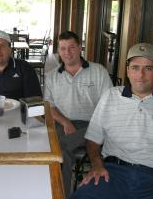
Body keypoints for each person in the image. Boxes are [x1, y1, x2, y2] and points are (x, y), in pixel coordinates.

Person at [70, 43, 153, 199]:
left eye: (148, 68)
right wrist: (96, 163)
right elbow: (93, 141)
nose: (140, 75)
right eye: (135, 67)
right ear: (127, 71)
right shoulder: (110, 96)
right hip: (112, 173)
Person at [44, 31, 112, 198]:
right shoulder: (52, 77)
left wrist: (96, 125)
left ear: (80, 47)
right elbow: (49, 106)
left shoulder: (98, 71)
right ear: (58, 51)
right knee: (48, 146)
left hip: (92, 125)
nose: (67, 53)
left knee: (60, 148)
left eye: (72, 47)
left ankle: (60, 194)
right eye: (63, 48)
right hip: (62, 123)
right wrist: (65, 122)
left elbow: (110, 104)